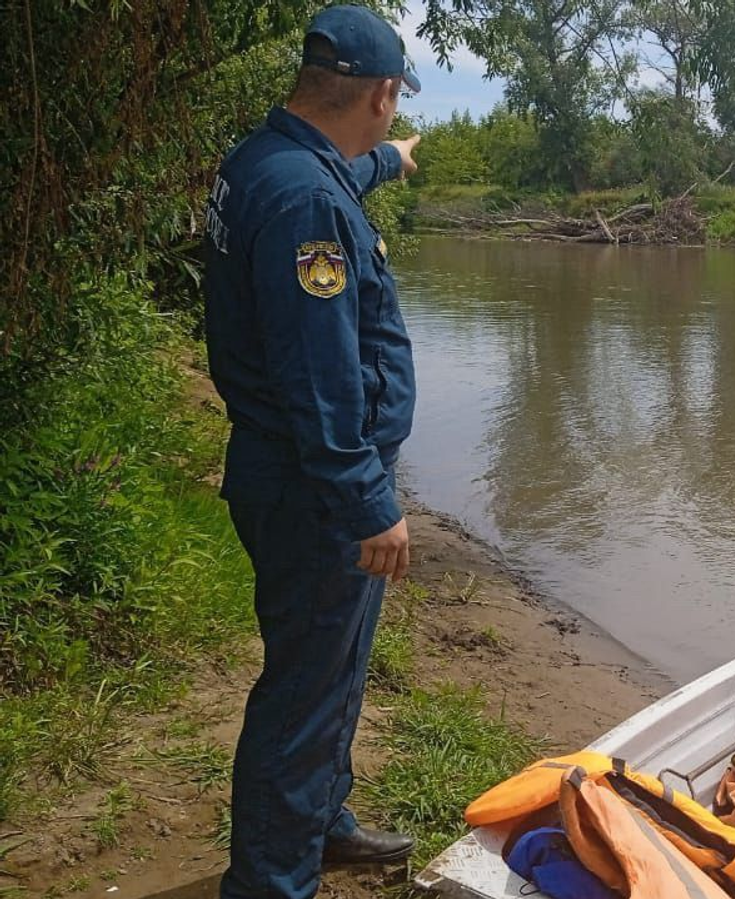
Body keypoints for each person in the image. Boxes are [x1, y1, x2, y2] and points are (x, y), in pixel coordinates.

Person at [201, 6, 424, 896]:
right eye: (393, 106)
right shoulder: (305, 202)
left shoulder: (274, 162)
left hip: (294, 475)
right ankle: (269, 879)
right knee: (304, 691)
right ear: (380, 92)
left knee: (328, 677)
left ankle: (319, 820)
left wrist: (389, 162)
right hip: (314, 490)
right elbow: (319, 376)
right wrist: (369, 502)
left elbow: (331, 182)